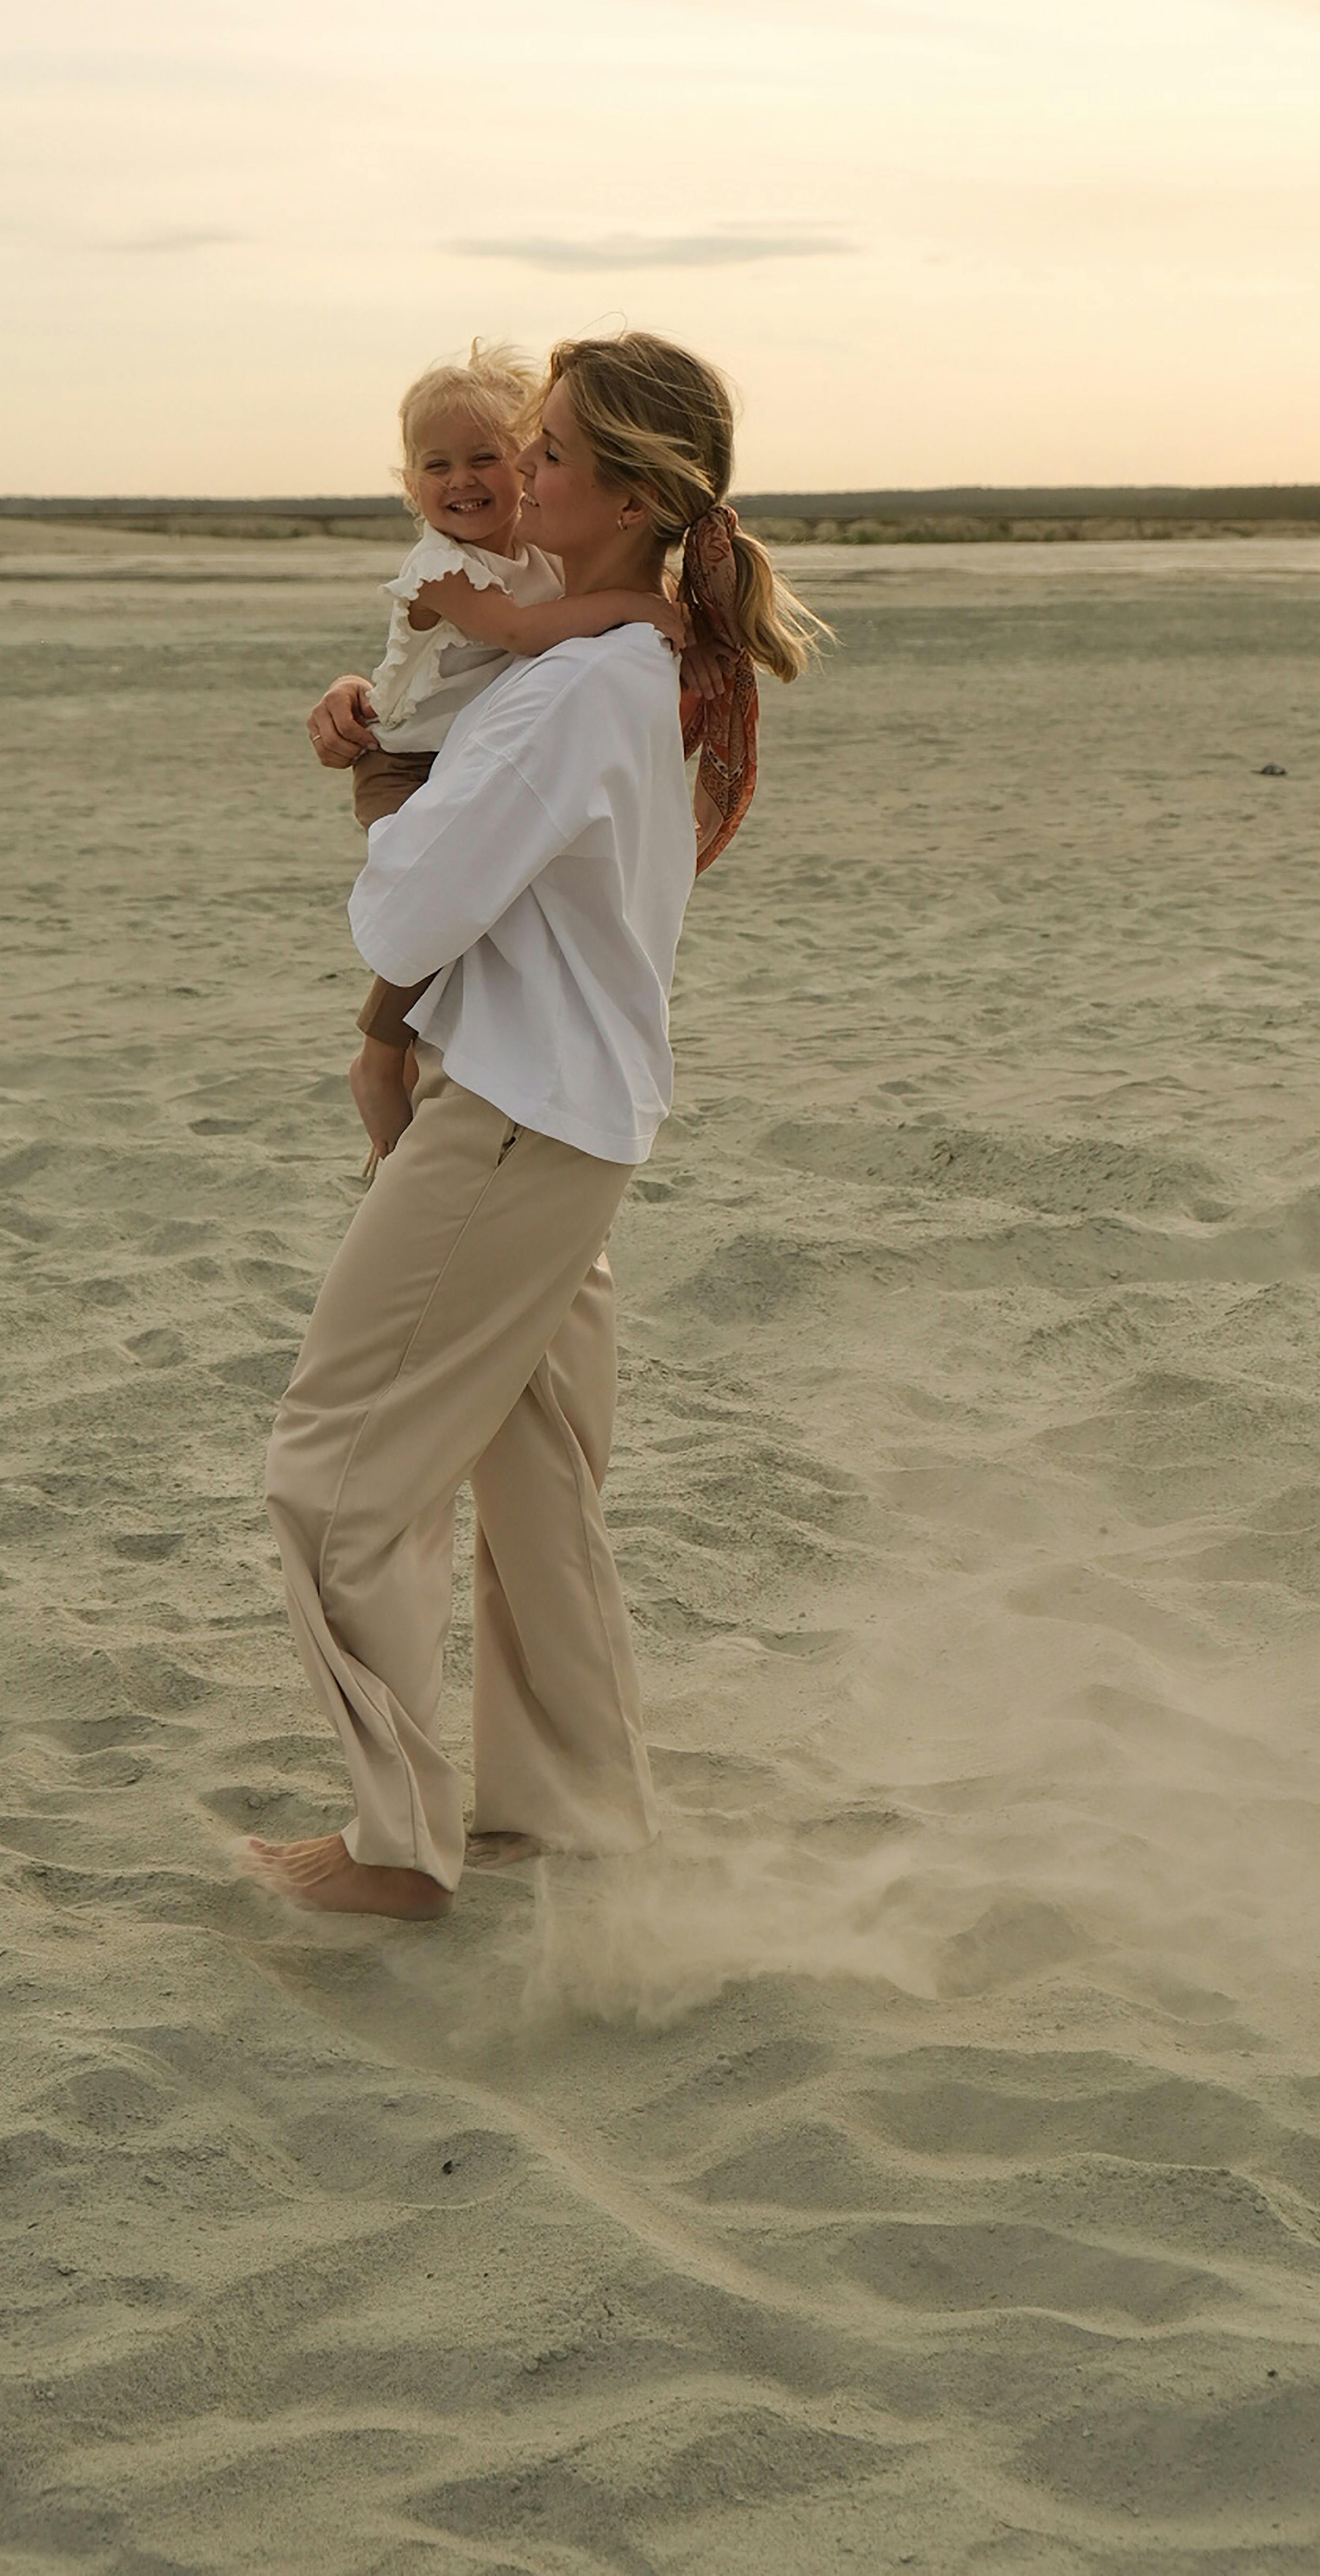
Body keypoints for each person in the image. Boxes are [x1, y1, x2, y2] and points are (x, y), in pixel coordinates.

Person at [247, 331, 824, 1918]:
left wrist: (384, 806)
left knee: (332, 1470)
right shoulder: (597, 667)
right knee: (536, 1482)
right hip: (572, 1111)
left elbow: (408, 910)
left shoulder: (575, 688)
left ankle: (393, 1850)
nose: (517, 468)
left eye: (552, 449)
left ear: (631, 495)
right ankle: (570, 1819)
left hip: (511, 1116)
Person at [336, 340, 686, 1167]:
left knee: (464, 905)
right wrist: (644, 604)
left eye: (490, 457)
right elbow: (522, 634)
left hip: (451, 748)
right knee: (438, 903)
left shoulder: (527, 553)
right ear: (408, 483)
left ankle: (406, 1063)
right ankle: (379, 1057)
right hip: (402, 760)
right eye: (436, 466)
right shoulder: (440, 568)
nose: (463, 481)